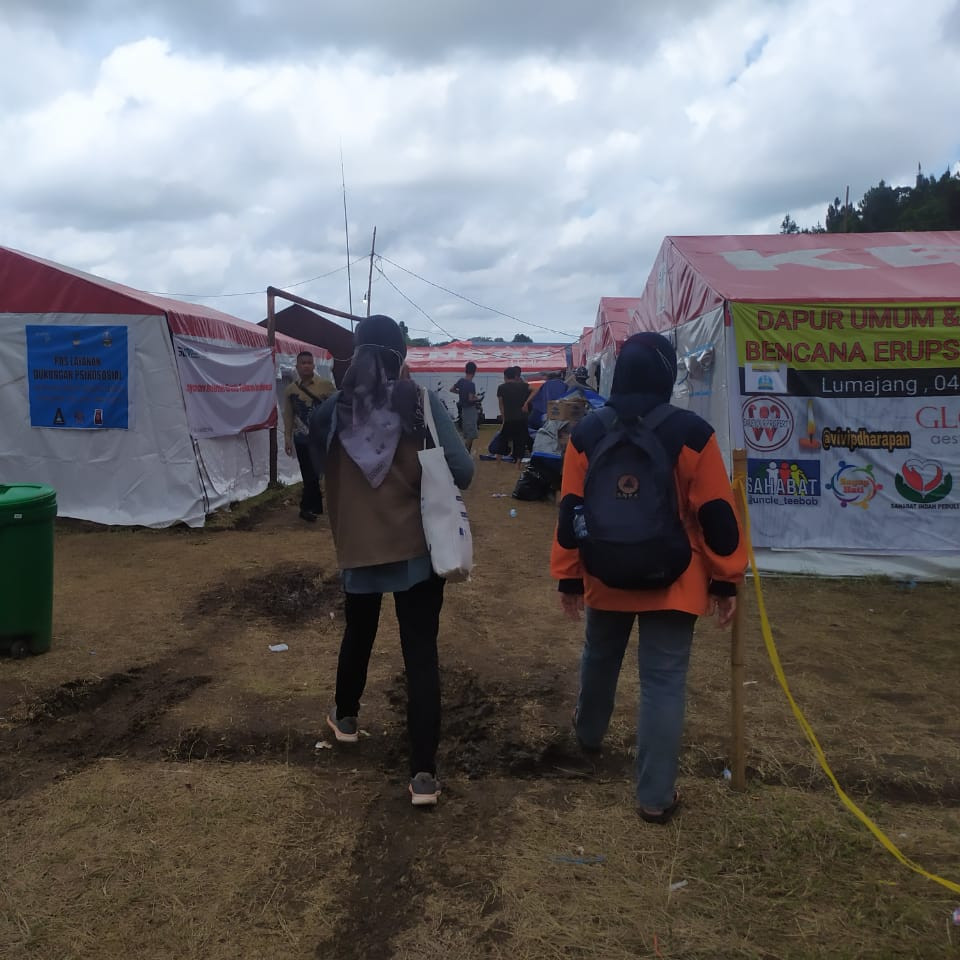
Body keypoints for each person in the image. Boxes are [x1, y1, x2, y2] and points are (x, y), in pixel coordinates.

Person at [550, 332, 746, 823]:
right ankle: (655, 797)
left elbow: (572, 510)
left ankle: (589, 736)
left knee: (600, 656)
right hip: (674, 579)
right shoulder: (693, 433)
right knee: (662, 682)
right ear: (665, 373)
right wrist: (725, 579)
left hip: (606, 570)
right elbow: (718, 515)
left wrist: (569, 577)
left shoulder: (588, 434)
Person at [309, 315, 474, 806]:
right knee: (420, 654)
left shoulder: (331, 412)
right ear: (400, 355)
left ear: (355, 355)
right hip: (416, 551)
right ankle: (423, 775)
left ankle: (346, 718)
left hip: (358, 549)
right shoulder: (418, 401)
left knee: (357, 634)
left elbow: (313, 463)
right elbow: (462, 472)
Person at [284, 351, 335, 521]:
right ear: (297, 367)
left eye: (309, 362)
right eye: (302, 363)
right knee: (308, 474)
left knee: (320, 473)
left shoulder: (326, 386)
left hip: (321, 438)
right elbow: (289, 415)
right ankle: (308, 508)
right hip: (301, 439)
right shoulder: (290, 390)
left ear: (314, 366)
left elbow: (336, 409)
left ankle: (312, 506)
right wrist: (287, 438)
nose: (306, 365)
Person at [496, 366, 531, 466]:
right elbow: (536, 389)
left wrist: (503, 417)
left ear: (505, 376)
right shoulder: (524, 386)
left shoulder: (501, 387)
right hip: (522, 418)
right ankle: (518, 464)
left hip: (509, 418)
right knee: (520, 440)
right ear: (515, 376)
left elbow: (501, 404)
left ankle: (498, 461)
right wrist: (526, 403)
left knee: (503, 439)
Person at [450, 361, 480, 452]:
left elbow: (451, 389)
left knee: (466, 433)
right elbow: (470, 399)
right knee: (471, 434)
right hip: (470, 410)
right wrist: (477, 398)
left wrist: (461, 393)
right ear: (474, 372)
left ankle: (465, 452)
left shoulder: (461, 381)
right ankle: (466, 453)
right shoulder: (471, 384)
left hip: (463, 410)